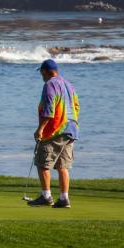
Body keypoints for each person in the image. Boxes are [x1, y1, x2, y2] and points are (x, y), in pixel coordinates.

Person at [28, 59, 79, 208]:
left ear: (45, 71)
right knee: (62, 166)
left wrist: (40, 129)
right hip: (71, 129)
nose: (41, 75)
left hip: (55, 130)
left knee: (43, 163)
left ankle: (46, 196)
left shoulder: (49, 85)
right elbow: (76, 106)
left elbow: (48, 111)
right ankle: (64, 199)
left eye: (41, 72)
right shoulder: (69, 85)